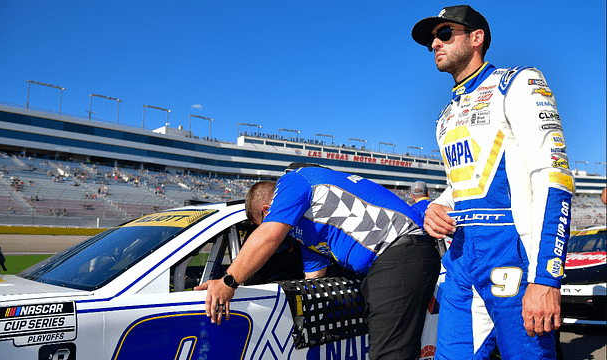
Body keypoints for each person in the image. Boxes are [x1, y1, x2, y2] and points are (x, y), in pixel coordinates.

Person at [412, 5, 575, 359]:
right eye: (431, 41)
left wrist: (546, 277)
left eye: (443, 34)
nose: (435, 45)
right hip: (461, 259)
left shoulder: (517, 83)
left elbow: (553, 178)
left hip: (512, 252)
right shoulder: (445, 116)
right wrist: (438, 205)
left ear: (476, 38)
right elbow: (462, 185)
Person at [196, 166, 441, 360]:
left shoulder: (293, 181)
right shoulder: (307, 230)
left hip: (401, 251)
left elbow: (269, 235)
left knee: (390, 354)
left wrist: (228, 281)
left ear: (268, 208)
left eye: (263, 221)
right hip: (389, 261)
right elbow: (313, 279)